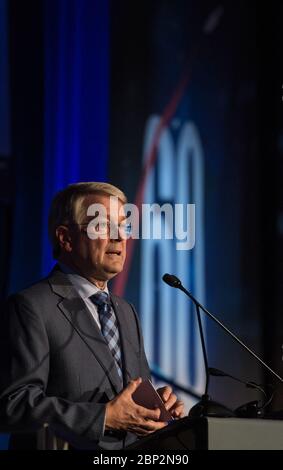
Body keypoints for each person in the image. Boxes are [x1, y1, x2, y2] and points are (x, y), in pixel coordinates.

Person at [0, 182, 185, 450]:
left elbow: (130, 398)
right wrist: (103, 418)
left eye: (124, 226)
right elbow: (12, 405)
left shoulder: (126, 312)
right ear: (65, 238)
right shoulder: (31, 306)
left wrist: (156, 407)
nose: (119, 237)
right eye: (103, 226)